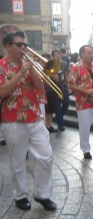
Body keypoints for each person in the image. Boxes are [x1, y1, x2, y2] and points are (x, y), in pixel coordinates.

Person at [0, 31, 56, 211]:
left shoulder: (29, 64)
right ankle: (20, 195)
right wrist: (21, 71)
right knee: (17, 160)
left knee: (46, 155)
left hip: (33, 116)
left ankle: (42, 194)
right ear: (7, 46)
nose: (23, 48)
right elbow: (2, 92)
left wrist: (31, 69)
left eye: (24, 44)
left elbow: (41, 88)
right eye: (19, 45)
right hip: (13, 118)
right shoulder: (1, 66)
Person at [52, 49, 69, 131]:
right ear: (53, 56)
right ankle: (60, 124)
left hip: (64, 85)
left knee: (66, 103)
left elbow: (66, 75)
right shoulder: (51, 64)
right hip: (55, 86)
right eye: (56, 54)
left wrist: (68, 85)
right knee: (58, 105)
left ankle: (59, 117)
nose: (58, 56)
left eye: (59, 54)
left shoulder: (64, 63)